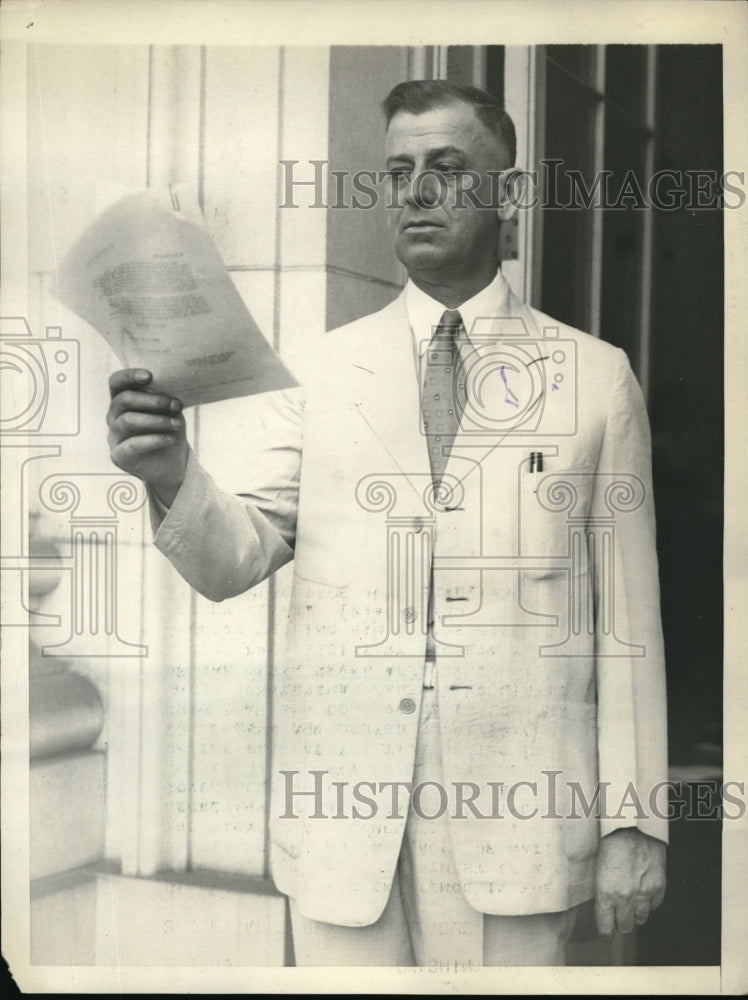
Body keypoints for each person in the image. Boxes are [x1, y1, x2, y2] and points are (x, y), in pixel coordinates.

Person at [106, 80, 667, 967]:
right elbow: (234, 557)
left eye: (447, 169)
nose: (415, 191)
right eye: (398, 171)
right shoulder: (325, 372)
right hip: (341, 824)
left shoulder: (595, 380)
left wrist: (636, 821)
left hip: (516, 829)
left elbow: (630, 628)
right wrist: (170, 473)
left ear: (509, 195)